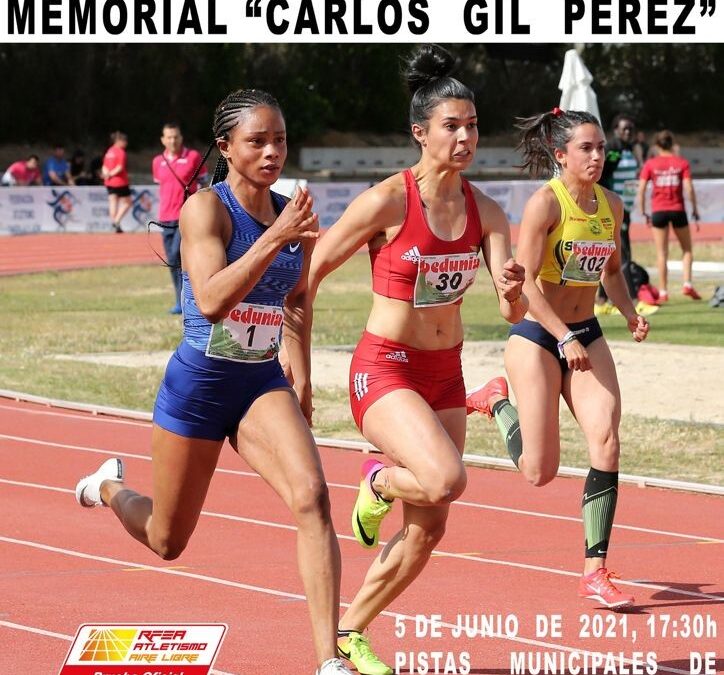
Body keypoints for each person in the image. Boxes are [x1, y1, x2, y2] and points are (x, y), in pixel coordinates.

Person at [75, 89, 352, 675]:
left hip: (258, 384)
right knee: (167, 541)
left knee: (314, 500)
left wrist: (300, 370)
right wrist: (278, 235)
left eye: (280, 139)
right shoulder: (207, 209)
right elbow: (210, 298)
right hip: (199, 385)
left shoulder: (293, 210)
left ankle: (329, 659)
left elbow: (298, 299)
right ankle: (106, 487)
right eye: (258, 141)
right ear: (226, 147)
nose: (273, 151)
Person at [306, 45, 527, 675]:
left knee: (431, 528)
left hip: (445, 372)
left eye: (473, 125)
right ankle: (377, 481)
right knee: (445, 479)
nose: (465, 137)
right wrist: (296, 358)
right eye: (451, 126)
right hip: (386, 368)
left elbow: (512, 313)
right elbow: (312, 271)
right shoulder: (388, 202)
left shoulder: (488, 212)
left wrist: (510, 289)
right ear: (420, 133)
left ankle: (348, 633)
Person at [467, 107, 650, 610]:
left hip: (586, 332)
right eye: (586, 148)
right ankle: (496, 401)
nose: (597, 156)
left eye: (601, 148)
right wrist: (562, 336)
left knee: (607, 439)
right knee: (538, 471)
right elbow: (525, 283)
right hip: (538, 335)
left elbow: (612, 270)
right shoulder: (546, 204)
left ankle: (595, 571)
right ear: (561, 153)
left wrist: (630, 313)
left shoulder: (611, 204)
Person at [596, 115, 658, 315]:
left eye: (631, 129)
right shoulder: (612, 149)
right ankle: (633, 300)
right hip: (611, 209)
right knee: (622, 254)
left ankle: (601, 300)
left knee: (608, 253)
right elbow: (603, 174)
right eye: (625, 129)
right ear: (615, 130)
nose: (628, 132)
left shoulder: (629, 148)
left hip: (624, 209)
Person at [637, 130, 702, 301]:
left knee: (661, 253)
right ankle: (687, 283)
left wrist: (643, 210)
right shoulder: (681, 163)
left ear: (657, 146)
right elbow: (689, 188)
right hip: (677, 209)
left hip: (658, 211)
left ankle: (664, 291)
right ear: (672, 144)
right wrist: (695, 208)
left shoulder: (650, 164)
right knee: (687, 249)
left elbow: (642, 189)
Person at [152, 123, 209, 314]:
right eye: (168, 137)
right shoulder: (157, 161)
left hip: (186, 216)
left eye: (175, 136)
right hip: (164, 217)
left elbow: (204, 183)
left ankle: (191, 299)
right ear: (162, 140)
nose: (172, 140)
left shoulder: (193, 157)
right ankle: (180, 301)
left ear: (181, 138)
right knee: (171, 260)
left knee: (178, 255)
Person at [102, 131, 132, 233]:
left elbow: (104, 166)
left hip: (109, 181)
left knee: (113, 201)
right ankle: (116, 221)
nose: (126, 143)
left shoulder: (109, 151)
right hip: (120, 181)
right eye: (124, 141)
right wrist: (111, 174)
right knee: (127, 202)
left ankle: (114, 223)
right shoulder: (121, 152)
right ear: (118, 141)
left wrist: (107, 174)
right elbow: (120, 167)